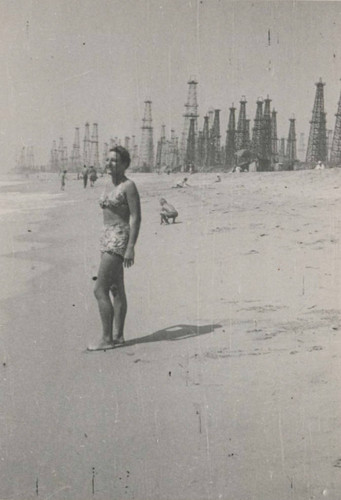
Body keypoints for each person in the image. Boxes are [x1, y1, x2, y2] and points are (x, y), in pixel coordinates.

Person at [88, 146, 141, 351]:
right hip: (106, 237)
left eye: (115, 161)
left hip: (119, 238)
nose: (110, 164)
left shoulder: (129, 186)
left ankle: (106, 339)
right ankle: (118, 336)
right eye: (108, 160)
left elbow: (136, 217)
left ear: (125, 164)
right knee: (115, 288)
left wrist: (131, 247)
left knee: (99, 289)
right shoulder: (107, 185)